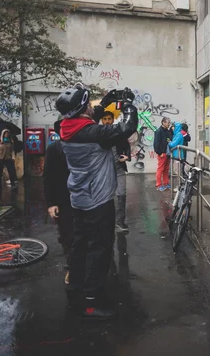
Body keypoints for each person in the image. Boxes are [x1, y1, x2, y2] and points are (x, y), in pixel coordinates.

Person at [55, 83, 137, 319]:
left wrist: (106, 101)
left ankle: (76, 288)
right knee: (99, 250)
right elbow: (126, 127)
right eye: (89, 104)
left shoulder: (66, 126)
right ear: (82, 109)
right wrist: (129, 105)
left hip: (80, 198)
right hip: (98, 201)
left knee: (80, 246)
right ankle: (91, 302)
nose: (93, 107)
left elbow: (91, 117)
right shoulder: (94, 135)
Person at [43, 118, 73, 286]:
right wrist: (51, 203)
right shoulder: (54, 148)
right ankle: (71, 268)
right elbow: (47, 176)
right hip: (63, 201)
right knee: (67, 236)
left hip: (84, 200)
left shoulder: (81, 146)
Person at [101, 111, 131, 233]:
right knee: (105, 196)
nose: (107, 121)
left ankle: (120, 221)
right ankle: (105, 221)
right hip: (104, 170)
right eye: (105, 119)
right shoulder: (97, 134)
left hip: (119, 168)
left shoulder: (118, 134)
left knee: (121, 194)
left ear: (113, 120)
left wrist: (127, 156)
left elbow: (126, 146)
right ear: (102, 120)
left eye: (109, 119)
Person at [153, 117, 173, 191]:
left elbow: (170, 138)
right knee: (160, 169)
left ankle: (166, 183)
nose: (169, 124)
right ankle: (158, 184)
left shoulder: (167, 131)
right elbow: (156, 143)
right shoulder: (158, 131)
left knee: (166, 169)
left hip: (167, 153)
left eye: (169, 123)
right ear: (163, 122)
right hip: (162, 153)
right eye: (168, 123)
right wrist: (159, 152)